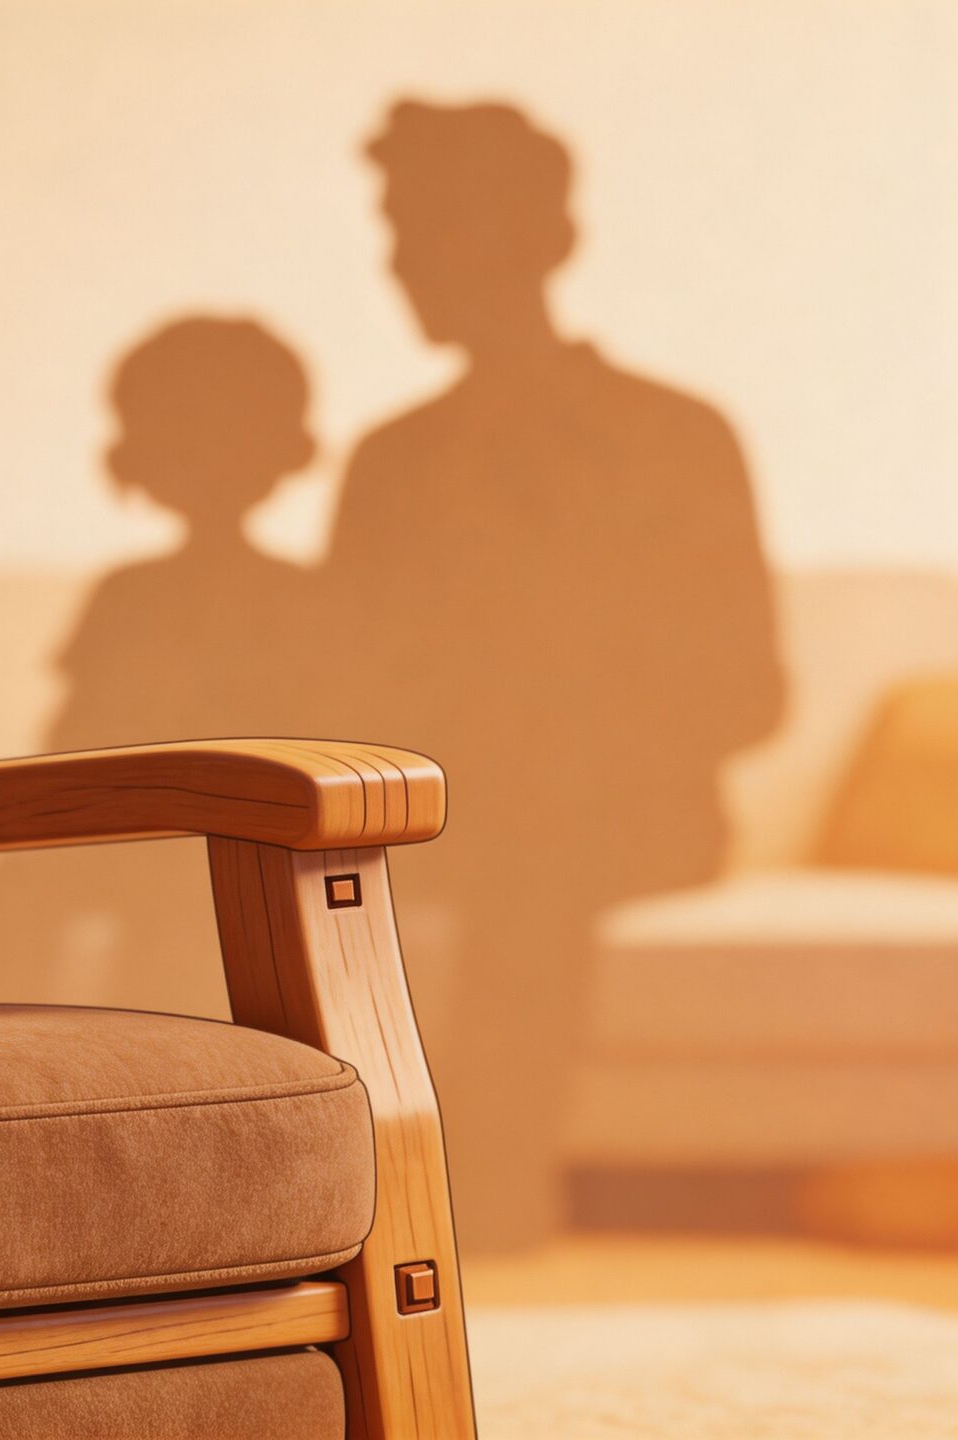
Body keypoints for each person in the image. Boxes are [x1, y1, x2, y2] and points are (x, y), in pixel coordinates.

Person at [327, 100, 785, 1252]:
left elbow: (749, 686)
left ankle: (480, 1210)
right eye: (398, 230)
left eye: (430, 228)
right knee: (497, 829)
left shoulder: (678, 438)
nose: (401, 261)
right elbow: (339, 690)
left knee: (537, 840)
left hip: (630, 816)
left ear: (543, 240)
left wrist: (570, 732)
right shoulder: (391, 465)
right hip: (448, 811)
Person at [0, 316, 329, 1015]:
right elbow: (78, 733)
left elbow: (75, 731)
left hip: (237, 839)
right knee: (19, 893)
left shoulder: (275, 599)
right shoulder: (135, 594)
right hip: (146, 829)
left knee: (155, 917)